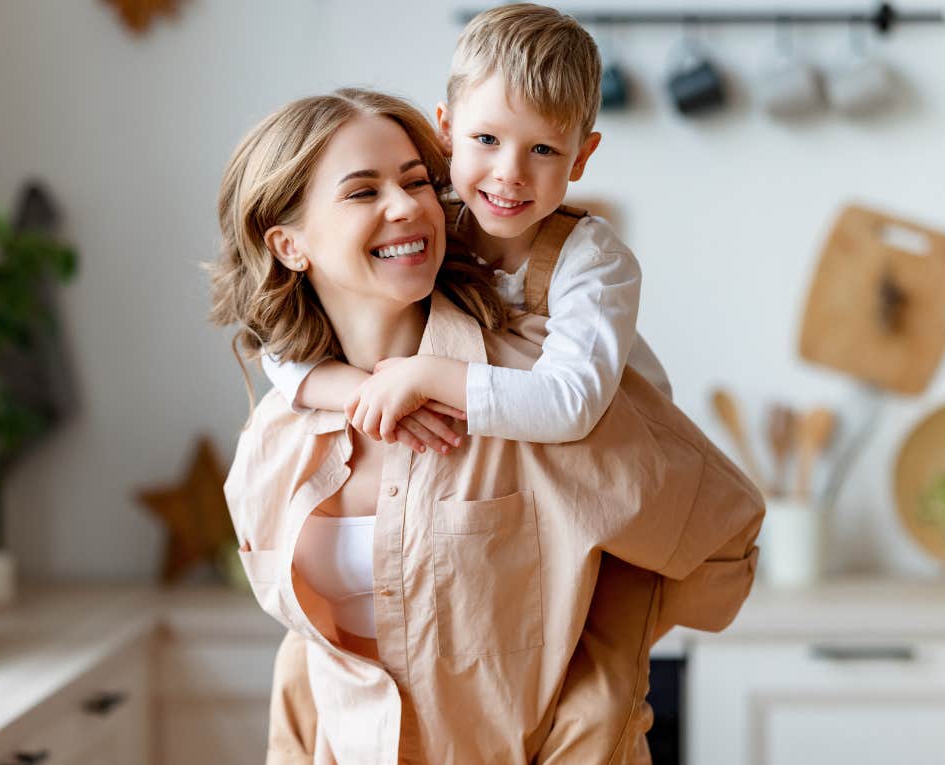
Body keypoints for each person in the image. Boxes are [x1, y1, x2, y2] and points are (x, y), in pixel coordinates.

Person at [210, 87, 762, 764]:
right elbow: (309, 639)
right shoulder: (278, 433)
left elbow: (719, 537)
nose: (408, 205)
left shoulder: (526, 388)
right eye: (363, 192)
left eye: (418, 181)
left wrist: (602, 696)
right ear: (289, 244)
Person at [262, 4, 670, 457]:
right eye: (487, 140)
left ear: (580, 158)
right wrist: (364, 390)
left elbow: (571, 404)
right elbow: (281, 351)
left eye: (543, 149)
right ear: (448, 131)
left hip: (623, 458)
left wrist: (426, 376)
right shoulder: (430, 219)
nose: (509, 173)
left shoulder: (593, 261)